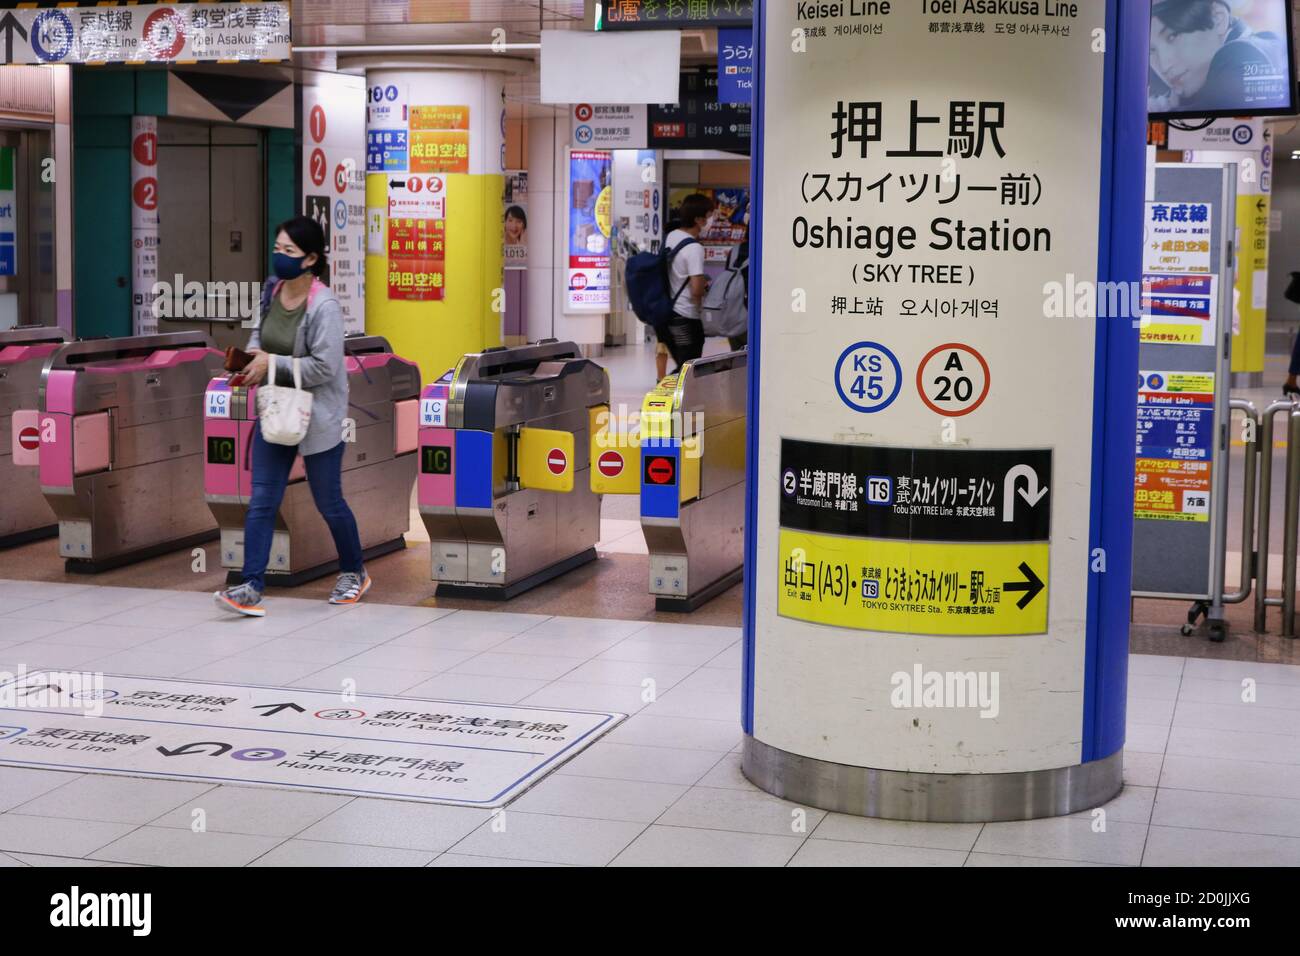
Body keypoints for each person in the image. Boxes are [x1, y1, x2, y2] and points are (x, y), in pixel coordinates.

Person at [214, 216, 370, 617]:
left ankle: (354, 571)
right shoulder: (272, 291)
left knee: (329, 502)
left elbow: (325, 367)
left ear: (311, 259)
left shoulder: (325, 306)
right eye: (277, 248)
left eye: (289, 251)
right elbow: (257, 338)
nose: (279, 257)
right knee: (262, 500)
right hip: (276, 412)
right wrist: (250, 364)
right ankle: (250, 585)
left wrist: (273, 365)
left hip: (317, 416)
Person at [1149, 0, 1290, 114]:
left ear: (1217, 19)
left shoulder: (1242, 53)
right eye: (1152, 51)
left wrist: (1166, 109)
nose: (1164, 66)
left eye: (1172, 36)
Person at [663, 193, 716, 373]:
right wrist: (703, 290)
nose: (711, 220)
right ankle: (665, 399)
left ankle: (671, 398)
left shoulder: (672, 236)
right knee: (688, 368)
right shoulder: (694, 248)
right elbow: (696, 289)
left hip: (669, 313)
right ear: (698, 219)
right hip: (686, 315)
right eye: (709, 216)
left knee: (683, 365)